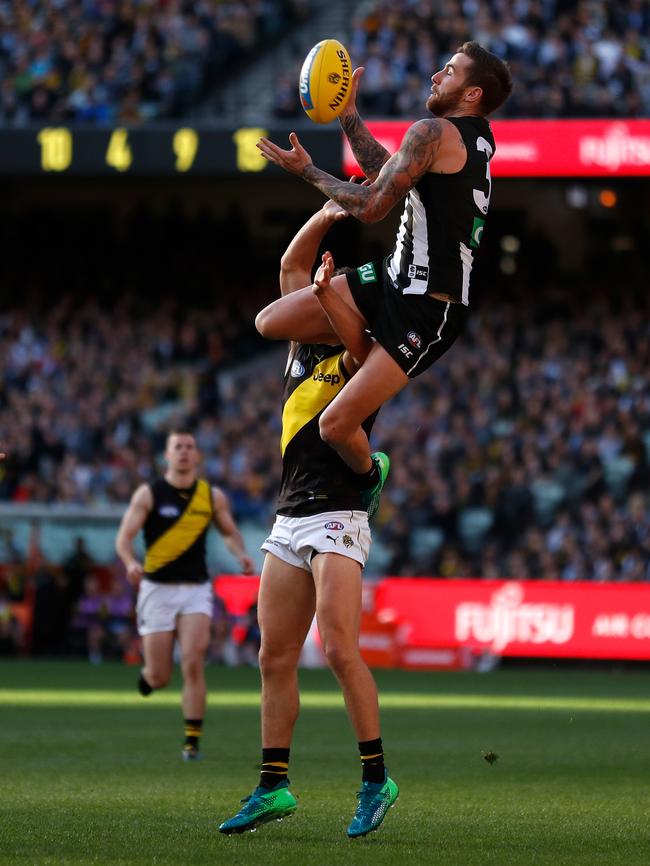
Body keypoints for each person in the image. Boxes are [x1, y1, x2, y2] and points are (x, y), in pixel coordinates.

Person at [255, 41, 512, 508]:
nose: (436, 75)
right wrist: (349, 116)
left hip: (428, 309)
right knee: (269, 323)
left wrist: (309, 172)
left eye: (449, 71)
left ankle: (371, 474)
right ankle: (353, 353)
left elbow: (373, 206)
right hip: (390, 278)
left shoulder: (433, 130)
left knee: (334, 426)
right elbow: (388, 174)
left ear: (472, 94)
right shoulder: (470, 138)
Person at [218, 198, 398, 839]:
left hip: (337, 515)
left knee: (341, 649)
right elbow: (290, 268)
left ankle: (376, 780)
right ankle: (273, 786)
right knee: (274, 656)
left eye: (321, 305)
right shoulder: (299, 348)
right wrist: (326, 213)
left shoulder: (359, 355)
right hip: (289, 516)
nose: (311, 307)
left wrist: (334, 293)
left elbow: (347, 327)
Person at [115, 429, 255, 760]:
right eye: (178, 447)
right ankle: (149, 678)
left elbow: (230, 532)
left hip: (195, 590)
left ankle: (192, 741)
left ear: (197, 456)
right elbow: (124, 537)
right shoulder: (149, 494)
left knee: (193, 661)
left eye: (190, 447)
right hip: (157, 589)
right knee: (161, 675)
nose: (184, 452)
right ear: (167, 455)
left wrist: (240, 554)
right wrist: (129, 561)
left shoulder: (210, 496)